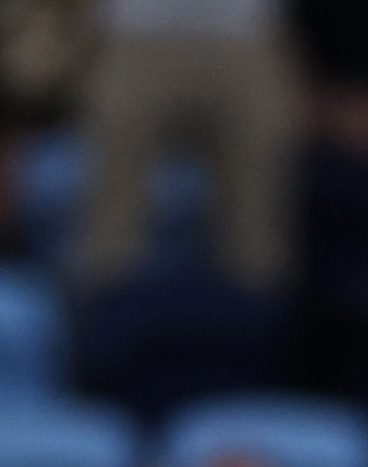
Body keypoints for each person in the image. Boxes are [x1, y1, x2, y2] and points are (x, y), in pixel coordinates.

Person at [74, 0, 300, 291]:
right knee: (110, 219)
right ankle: (101, 320)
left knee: (258, 224)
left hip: (245, 35)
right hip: (136, 35)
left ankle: (265, 323)